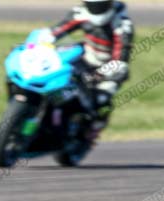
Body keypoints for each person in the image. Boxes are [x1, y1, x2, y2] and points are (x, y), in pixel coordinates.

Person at [45, 0, 134, 138]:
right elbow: (56, 31)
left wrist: (98, 74)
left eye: (100, 6)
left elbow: (121, 59)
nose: (96, 10)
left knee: (102, 100)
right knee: (57, 79)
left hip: (111, 68)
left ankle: (93, 130)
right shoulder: (80, 12)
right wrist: (38, 43)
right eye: (92, 5)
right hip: (85, 60)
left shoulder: (122, 24)